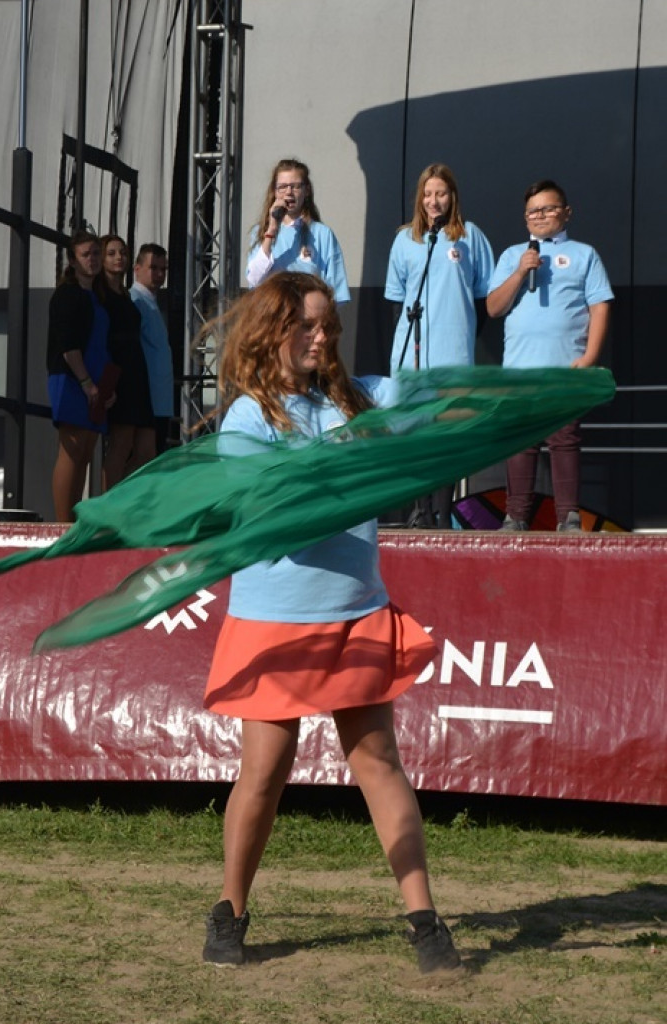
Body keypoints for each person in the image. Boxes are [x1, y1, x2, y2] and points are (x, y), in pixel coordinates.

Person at [200, 271, 462, 977]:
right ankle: (230, 910)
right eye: (308, 326)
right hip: (274, 617)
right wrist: (346, 470)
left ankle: (424, 919)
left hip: (354, 609)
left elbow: (437, 395)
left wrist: (513, 399)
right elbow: (274, 516)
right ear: (273, 331)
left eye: (329, 327)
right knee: (265, 769)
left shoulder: (354, 400)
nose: (322, 338)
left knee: (378, 761)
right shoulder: (248, 419)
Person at [486, 180, 613, 532]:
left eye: (548, 208)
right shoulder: (514, 255)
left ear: (566, 212)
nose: (540, 216)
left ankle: (568, 515)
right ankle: (515, 515)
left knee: (564, 440)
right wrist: (520, 271)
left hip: (565, 368)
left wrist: (589, 357)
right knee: (522, 443)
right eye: (533, 211)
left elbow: (599, 306)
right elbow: (494, 308)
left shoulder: (584, 254)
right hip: (520, 370)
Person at [384, 163, 494, 528]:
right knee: (416, 433)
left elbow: (484, 297)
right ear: (420, 198)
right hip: (414, 350)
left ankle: (443, 512)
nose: (434, 201)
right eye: (428, 194)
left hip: (454, 349)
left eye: (441, 193)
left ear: (453, 197)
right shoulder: (405, 240)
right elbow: (397, 300)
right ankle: (419, 509)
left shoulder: (471, 237)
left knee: (447, 435)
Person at [46, 231, 114, 522]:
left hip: (95, 380)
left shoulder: (97, 297)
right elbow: (68, 346)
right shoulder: (67, 294)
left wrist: (105, 386)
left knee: (86, 451)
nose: (93, 260)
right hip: (73, 379)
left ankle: (73, 519)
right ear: (73, 261)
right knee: (72, 449)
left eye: (96, 254)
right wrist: (86, 382)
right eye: (86, 255)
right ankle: (62, 524)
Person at [97, 235, 157, 488]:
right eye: (111, 253)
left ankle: (126, 500)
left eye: (122, 252)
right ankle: (107, 507)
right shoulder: (99, 294)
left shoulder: (123, 294)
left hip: (136, 370)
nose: (118, 257)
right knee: (120, 444)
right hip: (118, 369)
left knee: (147, 450)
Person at [246, 158, 350, 302]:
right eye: (282, 187)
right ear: (274, 191)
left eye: (295, 186)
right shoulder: (261, 232)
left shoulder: (322, 234)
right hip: (274, 317)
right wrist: (271, 229)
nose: (289, 192)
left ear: (306, 190)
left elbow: (336, 292)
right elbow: (254, 280)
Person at [130, 244, 175, 456]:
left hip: (158, 398)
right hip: (146, 397)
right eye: (153, 268)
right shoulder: (136, 301)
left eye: (163, 269)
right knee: (141, 457)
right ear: (137, 269)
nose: (159, 274)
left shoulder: (150, 302)